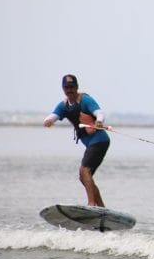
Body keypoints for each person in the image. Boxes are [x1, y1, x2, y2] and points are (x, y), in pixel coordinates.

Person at [43, 74, 110, 207]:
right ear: (63, 89)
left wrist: (98, 121)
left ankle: (91, 204)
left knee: (84, 170)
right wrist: (49, 121)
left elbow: (99, 113)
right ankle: (102, 208)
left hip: (99, 141)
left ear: (77, 87)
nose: (69, 90)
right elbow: (54, 115)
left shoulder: (85, 100)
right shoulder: (64, 105)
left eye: (72, 87)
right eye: (67, 87)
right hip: (91, 144)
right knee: (85, 177)